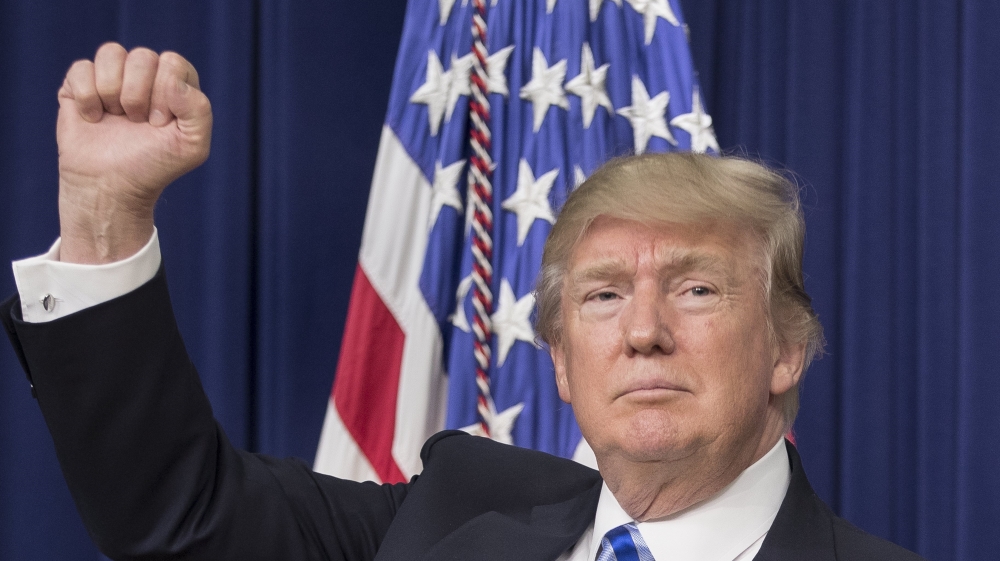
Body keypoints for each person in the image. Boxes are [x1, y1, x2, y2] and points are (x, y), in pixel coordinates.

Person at [2, 44, 924, 561]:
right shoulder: (453, 515)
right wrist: (103, 217)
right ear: (560, 358)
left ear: (786, 349)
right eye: (604, 295)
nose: (644, 331)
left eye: (695, 288)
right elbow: (176, 516)